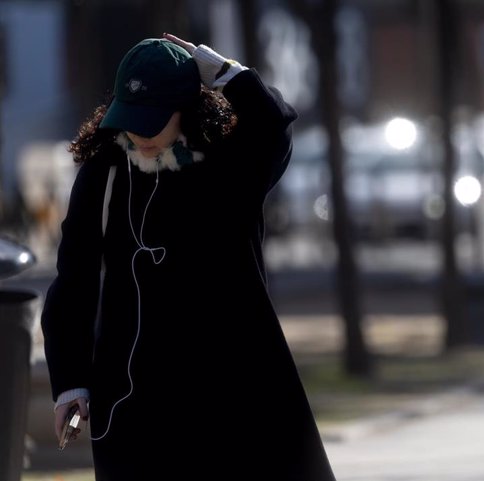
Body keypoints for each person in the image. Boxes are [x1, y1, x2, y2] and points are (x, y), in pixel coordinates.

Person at [40, 33, 337, 480]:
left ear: (187, 109)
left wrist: (226, 73)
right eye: (130, 118)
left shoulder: (231, 166)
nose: (139, 132)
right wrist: (70, 383)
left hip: (230, 401)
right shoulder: (104, 173)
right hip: (131, 406)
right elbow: (73, 280)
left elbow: (274, 122)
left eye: (152, 119)